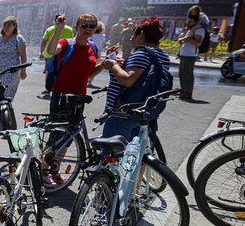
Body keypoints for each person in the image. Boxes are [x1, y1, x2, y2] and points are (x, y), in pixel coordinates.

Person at [45, 13, 105, 186]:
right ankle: (43, 169)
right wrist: (58, 28)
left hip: (79, 98)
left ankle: (54, 169)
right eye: (84, 26)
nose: (88, 29)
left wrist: (103, 65)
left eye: (92, 26)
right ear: (76, 27)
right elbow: (50, 51)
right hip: (61, 96)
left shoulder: (93, 47)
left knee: (70, 136)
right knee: (56, 134)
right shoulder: (66, 43)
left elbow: (89, 75)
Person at [100, 17, 171, 140]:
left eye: (134, 35)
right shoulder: (163, 56)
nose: (131, 38)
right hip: (143, 112)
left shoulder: (141, 53)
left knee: (112, 150)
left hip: (123, 114)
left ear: (141, 35)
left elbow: (127, 81)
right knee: (133, 150)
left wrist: (113, 65)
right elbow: (143, 75)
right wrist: (123, 64)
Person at [0, 16, 27, 101]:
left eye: (9, 25)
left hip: (11, 71)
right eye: (4, 25)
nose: (6, 28)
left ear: (14, 26)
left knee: (4, 93)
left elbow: (23, 55)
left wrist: (23, 70)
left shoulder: (18, 38)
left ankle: (2, 108)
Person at [39, 14, 75, 96]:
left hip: (50, 54)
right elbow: (72, 41)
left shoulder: (50, 29)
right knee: (62, 72)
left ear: (55, 20)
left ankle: (48, 89)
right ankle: (60, 89)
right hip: (64, 55)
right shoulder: (69, 29)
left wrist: (41, 52)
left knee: (49, 71)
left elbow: (44, 42)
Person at [176, 15, 205, 100]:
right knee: (182, 74)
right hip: (184, 54)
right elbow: (180, 40)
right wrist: (185, 35)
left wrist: (187, 39)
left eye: (190, 21)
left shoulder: (199, 30)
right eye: (187, 21)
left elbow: (198, 43)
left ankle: (188, 93)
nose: (187, 23)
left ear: (195, 22)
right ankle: (183, 91)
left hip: (190, 55)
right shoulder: (189, 30)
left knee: (187, 74)